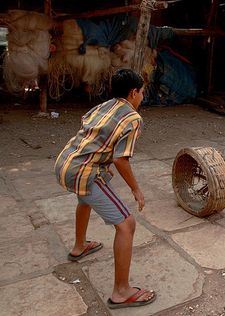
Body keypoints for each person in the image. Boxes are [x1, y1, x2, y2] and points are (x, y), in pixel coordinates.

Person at [54, 69, 156, 309]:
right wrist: (136, 190)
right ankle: (121, 292)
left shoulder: (104, 105)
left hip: (65, 162)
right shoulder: (132, 118)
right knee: (127, 224)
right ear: (133, 93)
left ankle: (80, 246)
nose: (142, 96)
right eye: (141, 92)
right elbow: (121, 159)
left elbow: (92, 133)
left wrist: (101, 163)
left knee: (85, 199)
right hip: (83, 172)